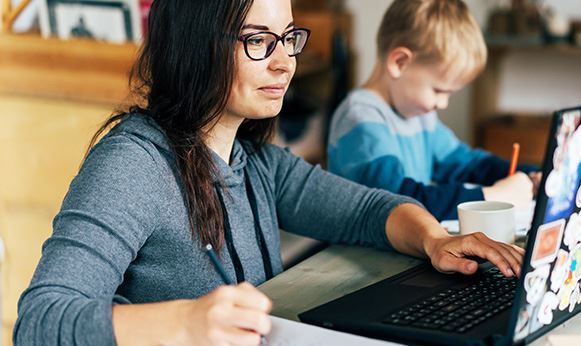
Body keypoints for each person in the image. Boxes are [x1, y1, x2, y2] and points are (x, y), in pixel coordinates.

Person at [13, 1, 524, 345]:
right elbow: (40, 321)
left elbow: (368, 209)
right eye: (259, 41)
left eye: (288, 40)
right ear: (197, 45)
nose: (285, 64)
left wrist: (434, 241)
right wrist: (186, 322)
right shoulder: (132, 165)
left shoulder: (255, 161)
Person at [327, 0, 541, 221]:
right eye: (439, 90)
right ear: (400, 62)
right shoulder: (361, 118)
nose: (443, 104)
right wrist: (491, 196)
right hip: (357, 252)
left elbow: (466, 164)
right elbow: (399, 201)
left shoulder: (419, 115)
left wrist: (526, 175)